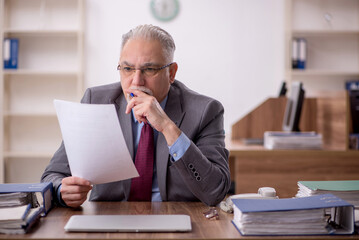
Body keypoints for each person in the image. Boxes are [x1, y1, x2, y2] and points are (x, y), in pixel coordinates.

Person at [41, 24, 230, 208]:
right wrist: (62, 191)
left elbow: (215, 191)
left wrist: (167, 127)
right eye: (127, 69)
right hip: (109, 220)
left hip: (175, 217)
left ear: (171, 73)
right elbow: (53, 175)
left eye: (149, 69)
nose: (136, 81)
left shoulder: (205, 111)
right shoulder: (96, 101)